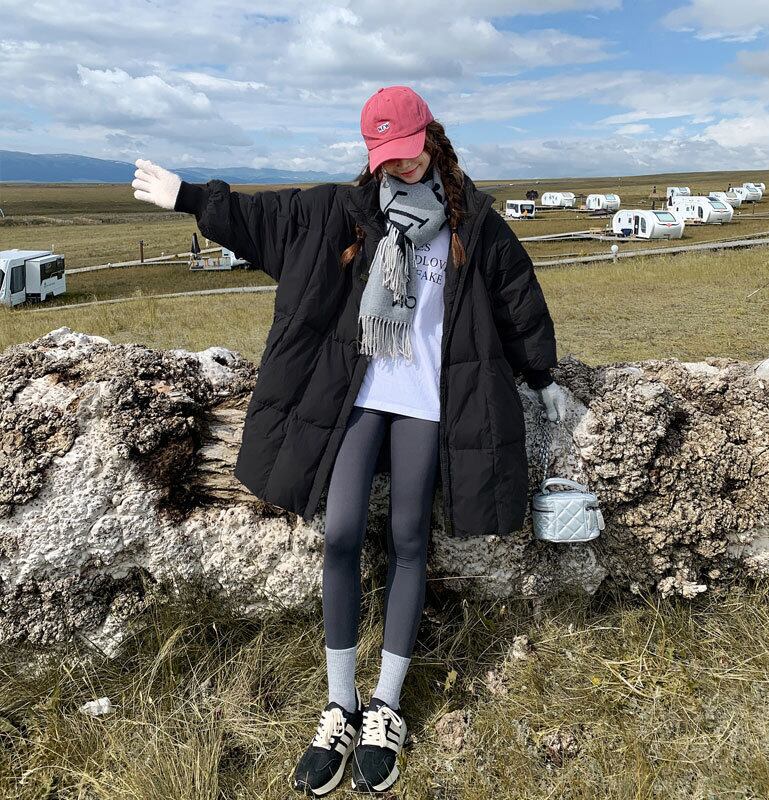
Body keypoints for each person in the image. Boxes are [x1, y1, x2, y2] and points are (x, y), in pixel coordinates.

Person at [131, 84, 564, 795]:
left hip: (426, 402)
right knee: (338, 534)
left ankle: (385, 706)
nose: (402, 167)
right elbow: (266, 219)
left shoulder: (475, 222)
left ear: (433, 140)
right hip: (359, 398)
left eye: (410, 153)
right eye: (387, 158)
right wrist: (190, 197)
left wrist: (540, 373)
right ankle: (340, 704)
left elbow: (516, 295)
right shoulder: (345, 212)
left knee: (409, 538)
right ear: (372, 157)